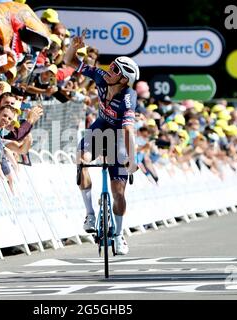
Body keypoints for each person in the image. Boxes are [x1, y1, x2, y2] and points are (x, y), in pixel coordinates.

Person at [64, 33, 139, 255]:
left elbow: (127, 130)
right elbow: (71, 62)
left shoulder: (128, 97)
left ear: (124, 79)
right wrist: (72, 47)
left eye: (115, 70)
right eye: (112, 65)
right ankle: (89, 213)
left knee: (119, 193)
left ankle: (118, 235)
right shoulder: (100, 77)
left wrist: (132, 161)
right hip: (100, 127)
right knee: (81, 160)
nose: (109, 70)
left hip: (119, 137)